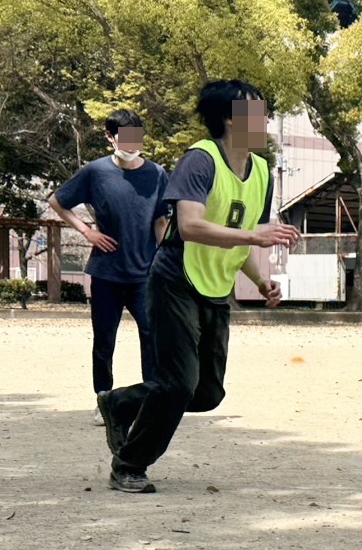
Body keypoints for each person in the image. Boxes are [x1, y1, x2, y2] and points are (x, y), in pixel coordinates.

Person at [96, 80, 300, 493]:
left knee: (207, 393)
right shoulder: (200, 160)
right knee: (177, 384)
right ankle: (129, 465)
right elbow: (189, 226)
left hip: (214, 287)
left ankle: (123, 403)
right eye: (256, 111)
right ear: (229, 119)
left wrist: (261, 281)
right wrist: (253, 238)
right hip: (175, 280)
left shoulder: (261, 171)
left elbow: (243, 232)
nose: (265, 119)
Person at [47, 110, 169, 425]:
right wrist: (88, 231)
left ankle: (150, 399)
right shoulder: (95, 172)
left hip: (145, 275)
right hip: (106, 274)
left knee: (151, 336)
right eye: (124, 137)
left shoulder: (157, 174)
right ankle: (104, 399)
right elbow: (57, 201)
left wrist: (162, 258)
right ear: (110, 137)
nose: (132, 143)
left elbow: (160, 220)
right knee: (104, 340)